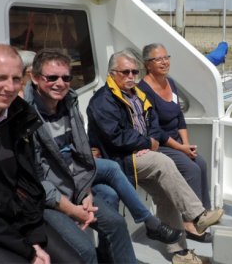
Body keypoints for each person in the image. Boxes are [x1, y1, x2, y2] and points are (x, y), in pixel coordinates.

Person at [87, 49, 224, 264]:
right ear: (112, 73)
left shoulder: (137, 95)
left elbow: (154, 126)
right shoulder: (103, 101)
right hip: (120, 159)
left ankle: (180, 253)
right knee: (163, 162)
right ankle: (197, 216)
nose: (131, 76)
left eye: (134, 71)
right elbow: (116, 137)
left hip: (141, 154)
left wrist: (150, 142)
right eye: (125, 72)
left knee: (166, 196)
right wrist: (147, 143)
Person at [0, 44, 82, 264]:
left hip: (20, 220)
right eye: (0, 78)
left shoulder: (20, 116)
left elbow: (30, 184)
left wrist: (34, 238)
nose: (9, 87)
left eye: (16, 79)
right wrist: (28, 251)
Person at [23, 49, 136, 263]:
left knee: (117, 224)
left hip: (75, 189)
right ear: (36, 78)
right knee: (84, 252)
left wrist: (85, 193)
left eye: (66, 78)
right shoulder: (24, 116)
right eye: (52, 77)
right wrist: (72, 210)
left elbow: (81, 155)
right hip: (47, 201)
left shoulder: (69, 105)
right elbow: (36, 181)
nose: (60, 83)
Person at [138, 43, 213, 243]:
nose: (164, 62)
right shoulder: (143, 90)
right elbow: (155, 130)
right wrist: (181, 148)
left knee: (201, 163)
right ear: (147, 64)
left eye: (166, 57)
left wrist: (186, 144)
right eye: (158, 59)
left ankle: (203, 214)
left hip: (178, 141)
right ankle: (190, 222)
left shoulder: (170, 83)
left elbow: (179, 116)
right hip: (160, 143)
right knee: (191, 169)